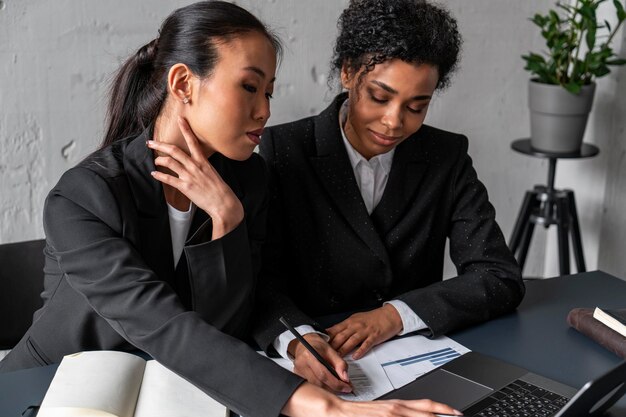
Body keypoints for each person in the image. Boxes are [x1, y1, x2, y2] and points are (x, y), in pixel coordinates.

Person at [0, 1, 462, 416]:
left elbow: (224, 325)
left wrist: (227, 221)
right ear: (183, 83)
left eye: (269, 93)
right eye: (248, 87)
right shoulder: (85, 194)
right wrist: (324, 409)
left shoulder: (246, 182)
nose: (264, 110)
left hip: (177, 391)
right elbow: (164, 324)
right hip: (52, 390)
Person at [253, 0, 525, 394]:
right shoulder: (284, 149)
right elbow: (261, 282)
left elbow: (498, 276)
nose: (395, 122)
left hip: (416, 361)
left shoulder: (445, 156)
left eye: (417, 106)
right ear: (347, 72)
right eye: (380, 98)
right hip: (320, 368)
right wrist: (298, 340)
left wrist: (395, 316)